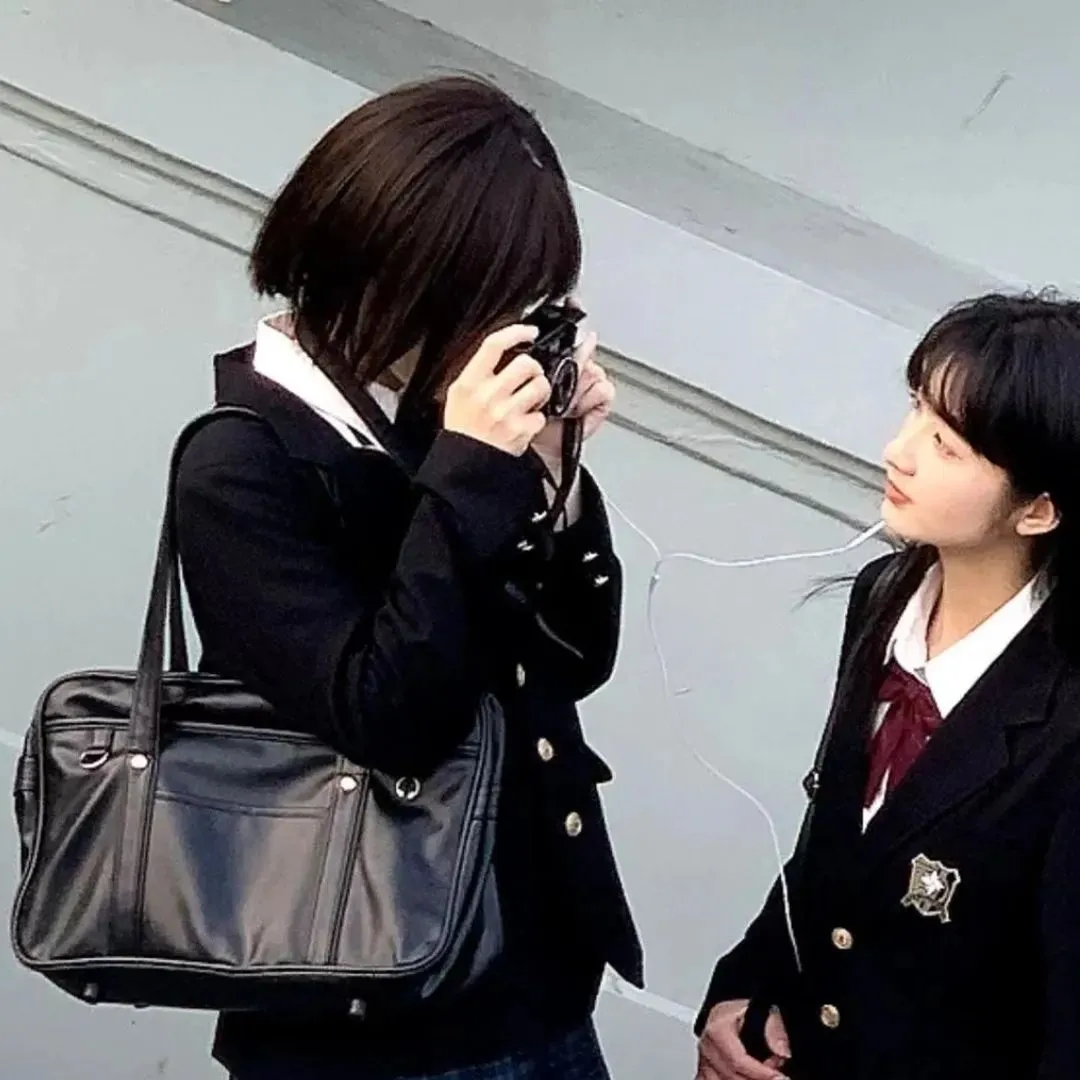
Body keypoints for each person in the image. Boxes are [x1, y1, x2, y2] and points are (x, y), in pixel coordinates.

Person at [174, 75, 642, 1080]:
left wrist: (552, 475)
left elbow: (570, 663)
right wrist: (468, 473)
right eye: (493, 294)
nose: (506, 326)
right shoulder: (242, 458)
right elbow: (383, 712)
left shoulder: (441, 418)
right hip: (370, 1011)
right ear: (400, 270)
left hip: (530, 972)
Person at [695, 292, 1080, 1080]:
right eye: (915, 410)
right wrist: (745, 990)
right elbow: (837, 851)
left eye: (946, 445)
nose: (898, 452)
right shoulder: (886, 594)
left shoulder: (1066, 718)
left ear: (1038, 510)